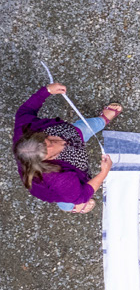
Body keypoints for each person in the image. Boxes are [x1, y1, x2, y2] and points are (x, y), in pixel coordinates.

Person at [12, 83, 120, 213]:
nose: (61, 142)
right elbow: (83, 195)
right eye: (52, 153)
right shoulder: (57, 179)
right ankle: (73, 207)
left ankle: (101, 120)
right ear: (44, 162)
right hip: (64, 187)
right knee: (70, 200)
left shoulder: (24, 130)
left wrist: (46, 91)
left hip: (71, 132)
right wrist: (104, 173)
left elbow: (25, 111)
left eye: (50, 139)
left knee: (83, 128)